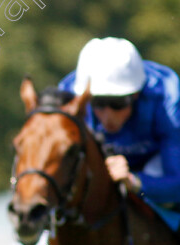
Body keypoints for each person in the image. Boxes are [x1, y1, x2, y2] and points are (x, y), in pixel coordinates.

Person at [59, 37, 180, 211]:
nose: (108, 116)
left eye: (117, 103)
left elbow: (177, 182)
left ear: (136, 94)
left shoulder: (166, 98)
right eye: (98, 103)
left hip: (155, 165)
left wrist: (134, 181)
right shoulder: (69, 99)